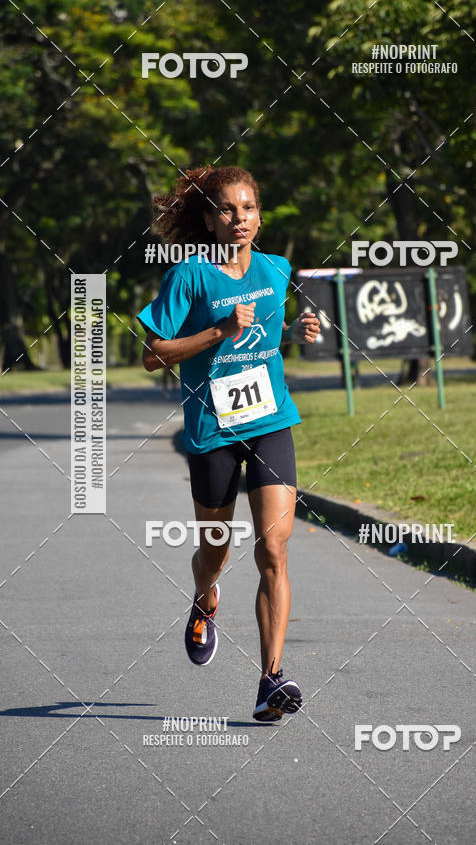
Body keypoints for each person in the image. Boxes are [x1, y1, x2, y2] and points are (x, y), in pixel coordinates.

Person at [137, 165, 320, 722]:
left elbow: (264, 336)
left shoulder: (276, 268)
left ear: (259, 215)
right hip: (212, 429)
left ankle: (271, 681)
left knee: (274, 549)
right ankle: (204, 597)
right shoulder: (189, 276)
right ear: (209, 219)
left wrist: (297, 333)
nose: (239, 219)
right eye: (226, 209)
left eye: (248, 208)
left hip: (269, 419)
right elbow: (152, 355)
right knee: (214, 549)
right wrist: (218, 332)